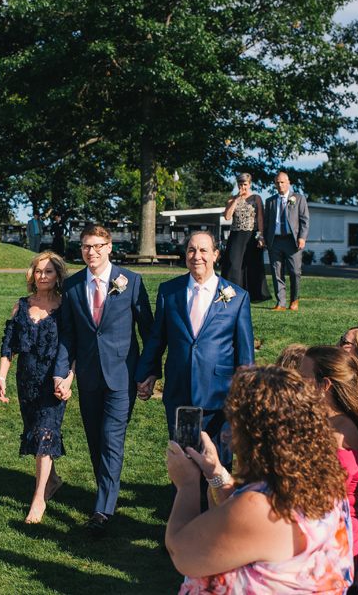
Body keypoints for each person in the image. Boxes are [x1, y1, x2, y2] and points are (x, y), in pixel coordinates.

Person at [166, 366, 353, 594]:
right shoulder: (322, 485)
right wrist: (215, 473)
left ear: (255, 434)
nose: (229, 434)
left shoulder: (260, 508)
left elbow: (181, 553)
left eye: (234, 422)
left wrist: (187, 484)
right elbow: (243, 524)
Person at [53, 224, 153, 537]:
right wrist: (62, 372)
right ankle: (106, 494)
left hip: (122, 376)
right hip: (87, 375)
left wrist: (149, 373)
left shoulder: (131, 281)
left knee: (111, 438)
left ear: (109, 247)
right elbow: (68, 334)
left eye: (97, 246)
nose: (91, 252)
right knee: (96, 441)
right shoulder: (71, 286)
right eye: (85, 246)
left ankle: (101, 511)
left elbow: (147, 331)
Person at [135, 231, 254, 459]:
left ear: (215, 255)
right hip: (180, 392)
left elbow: (245, 354)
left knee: (217, 465)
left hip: (220, 396)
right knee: (184, 461)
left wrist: (244, 396)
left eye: (203, 250)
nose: (196, 256)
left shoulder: (237, 297)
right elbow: (157, 339)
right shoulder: (169, 292)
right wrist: (146, 373)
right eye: (191, 250)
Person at [0, 251, 69, 524]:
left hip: (54, 382)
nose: (43, 276)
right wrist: (1, 377)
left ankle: (38, 499)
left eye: (49, 271)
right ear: (32, 275)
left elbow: (72, 347)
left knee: (45, 432)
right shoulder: (22, 305)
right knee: (35, 432)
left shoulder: (65, 307)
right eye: (39, 271)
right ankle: (53, 480)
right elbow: (8, 345)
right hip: (25, 381)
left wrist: (68, 378)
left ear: (58, 275)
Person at [301, 346, 358, 554]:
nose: (297, 382)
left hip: (336, 544)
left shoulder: (337, 434)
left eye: (303, 376)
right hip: (330, 536)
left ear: (324, 384)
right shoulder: (331, 423)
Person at [220, 173, 271, 302]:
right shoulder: (232, 199)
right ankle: (231, 292)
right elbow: (227, 216)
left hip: (251, 234)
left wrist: (262, 236)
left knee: (251, 264)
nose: (243, 187)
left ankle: (252, 294)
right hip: (236, 234)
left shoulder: (256, 198)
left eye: (245, 184)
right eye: (240, 184)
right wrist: (237, 199)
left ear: (250, 184)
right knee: (233, 263)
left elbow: (260, 218)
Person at [264, 172, 309, 311]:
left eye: (282, 182)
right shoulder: (270, 201)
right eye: (277, 182)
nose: (280, 185)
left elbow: (304, 220)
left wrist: (302, 237)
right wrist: (264, 238)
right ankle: (281, 303)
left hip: (292, 241)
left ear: (288, 182)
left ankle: (294, 300)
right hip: (275, 241)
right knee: (277, 272)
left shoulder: (299, 198)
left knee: (295, 272)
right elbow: (266, 223)